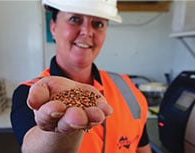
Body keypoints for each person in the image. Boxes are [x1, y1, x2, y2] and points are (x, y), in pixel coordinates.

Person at [10, 0, 152, 152]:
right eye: (74, 19)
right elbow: (33, 147)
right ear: (53, 28)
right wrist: (58, 133)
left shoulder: (127, 89)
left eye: (98, 24)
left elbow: (142, 148)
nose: (87, 31)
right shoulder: (31, 94)